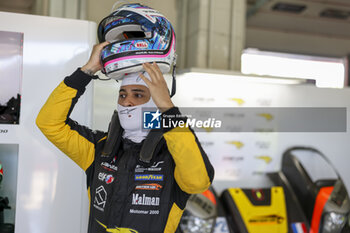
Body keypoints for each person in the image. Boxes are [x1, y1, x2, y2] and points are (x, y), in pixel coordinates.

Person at [36, 39, 214, 233]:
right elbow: (49, 123)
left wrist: (167, 108)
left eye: (138, 95)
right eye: (122, 95)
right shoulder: (98, 148)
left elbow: (198, 182)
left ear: (156, 102)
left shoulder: (173, 155)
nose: (127, 102)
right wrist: (86, 71)